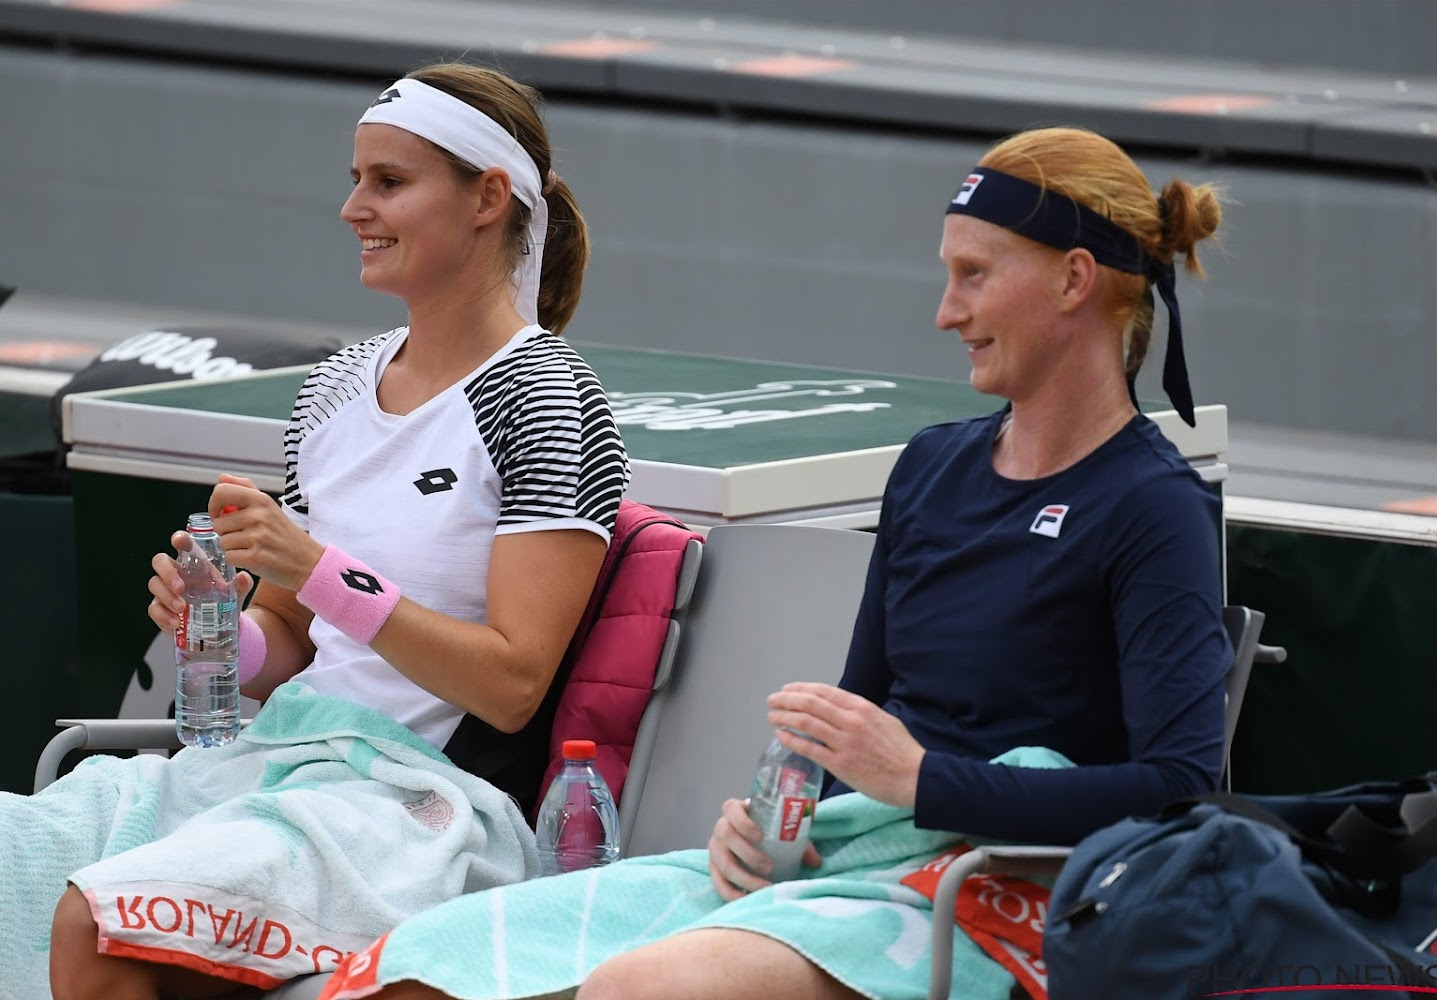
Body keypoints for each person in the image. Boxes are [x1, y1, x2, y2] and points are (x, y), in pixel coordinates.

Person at [323, 125, 1231, 1000]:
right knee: (423, 964)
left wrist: (921, 781)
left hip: (1005, 896)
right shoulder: (932, 466)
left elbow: (1179, 791)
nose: (946, 310)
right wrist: (766, 825)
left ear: (1074, 280)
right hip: (858, 856)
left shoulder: (1152, 504)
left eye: (974, 276)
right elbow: (853, 723)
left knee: (646, 986)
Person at [38, 62, 629, 999]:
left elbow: (513, 687)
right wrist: (220, 638)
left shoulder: (548, 401)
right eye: (356, 179)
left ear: (487, 197)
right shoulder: (338, 384)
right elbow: (292, 643)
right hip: (278, 767)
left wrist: (320, 572)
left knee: (94, 921)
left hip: (424, 808)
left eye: (389, 182)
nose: (354, 207)